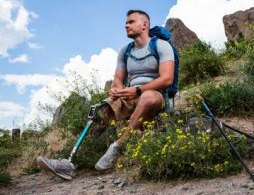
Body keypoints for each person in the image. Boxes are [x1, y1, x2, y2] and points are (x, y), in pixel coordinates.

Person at [37, 9, 175, 180]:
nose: (126, 25)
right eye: (126, 22)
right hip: (129, 95)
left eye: (131, 22)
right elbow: (118, 78)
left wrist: (138, 90)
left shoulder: (161, 45)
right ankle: (69, 161)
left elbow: (167, 78)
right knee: (99, 108)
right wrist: (116, 89)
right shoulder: (125, 51)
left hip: (154, 95)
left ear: (144, 25)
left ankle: (117, 146)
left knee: (148, 97)